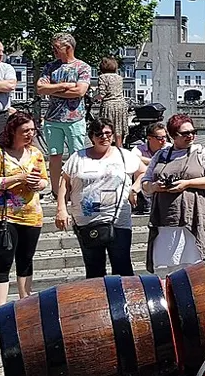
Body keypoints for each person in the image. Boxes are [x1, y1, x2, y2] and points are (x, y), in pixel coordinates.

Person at [56, 118, 143, 278]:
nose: (104, 137)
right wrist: (61, 209)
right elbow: (64, 182)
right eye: (99, 134)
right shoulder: (78, 157)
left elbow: (143, 172)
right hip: (86, 221)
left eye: (108, 133)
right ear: (92, 136)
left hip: (118, 220)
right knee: (94, 269)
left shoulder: (124, 155)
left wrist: (134, 188)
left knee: (122, 265)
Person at [141, 114, 205, 275]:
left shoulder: (202, 152)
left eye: (193, 131)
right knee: (166, 269)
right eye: (185, 133)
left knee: (194, 268)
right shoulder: (161, 155)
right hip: (165, 220)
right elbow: (145, 184)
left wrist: (187, 183)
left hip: (194, 218)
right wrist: (155, 186)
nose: (190, 136)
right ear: (172, 135)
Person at [0, 112, 47, 305]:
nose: (30, 134)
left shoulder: (35, 153)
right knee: (3, 261)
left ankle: (24, 305)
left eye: (32, 130)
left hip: (31, 213)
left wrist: (38, 184)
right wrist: (18, 178)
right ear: (13, 131)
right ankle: (2, 308)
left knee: (26, 260)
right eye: (25, 130)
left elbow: (44, 180)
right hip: (5, 214)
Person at [37, 32, 92, 199]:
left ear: (68, 48)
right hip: (53, 119)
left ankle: (76, 189)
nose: (53, 51)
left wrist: (53, 89)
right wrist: (65, 86)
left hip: (74, 118)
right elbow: (40, 88)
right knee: (54, 156)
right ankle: (56, 192)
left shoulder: (83, 67)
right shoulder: (50, 66)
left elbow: (80, 91)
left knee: (77, 155)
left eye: (56, 48)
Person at [130, 122, 168, 215]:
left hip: (161, 181)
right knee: (141, 167)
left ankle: (135, 192)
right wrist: (153, 162)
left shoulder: (169, 148)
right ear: (149, 138)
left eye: (165, 137)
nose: (163, 140)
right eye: (160, 138)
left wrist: (150, 162)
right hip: (145, 181)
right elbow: (133, 159)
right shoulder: (139, 149)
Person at [94, 57, 129, 147]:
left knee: (106, 128)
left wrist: (93, 98)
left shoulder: (102, 77)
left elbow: (102, 94)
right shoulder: (119, 77)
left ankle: (107, 149)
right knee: (118, 129)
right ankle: (119, 149)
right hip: (121, 105)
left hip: (109, 106)